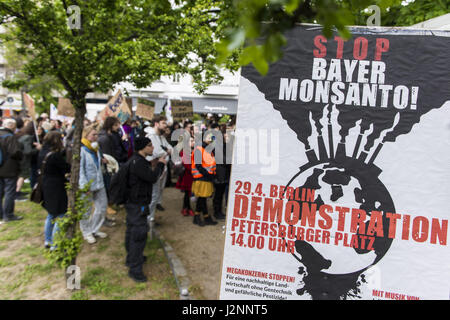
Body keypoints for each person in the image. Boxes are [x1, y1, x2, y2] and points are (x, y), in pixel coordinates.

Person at [125, 136, 166, 282]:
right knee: (138, 235)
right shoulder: (138, 163)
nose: (153, 148)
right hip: (138, 205)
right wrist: (160, 165)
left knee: (131, 232)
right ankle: (135, 270)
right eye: (149, 145)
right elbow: (152, 177)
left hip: (133, 203)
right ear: (143, 148)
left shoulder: (136, 160)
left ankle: (131, 259)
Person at [38, 131, 70, 249]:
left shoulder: (42, 152)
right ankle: (55, 244)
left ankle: (48, 240)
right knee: (61, 213)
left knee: (51, 214)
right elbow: (66, 167)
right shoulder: (54, 155)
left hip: (46, 185)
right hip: (56, 186)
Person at [79, 125, 109, 244]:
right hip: (87, 185)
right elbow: (80, 170)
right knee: (85, 210)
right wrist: (84, 186)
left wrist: (102, 161)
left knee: (102, 207)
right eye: (93, 135)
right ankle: (86, 232)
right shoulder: (82, 150)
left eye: (96, 134)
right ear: (86, 136)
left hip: (99, 183)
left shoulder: (95, 149)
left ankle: (94, 229)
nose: (96, 137)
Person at [145, 115, 173, 220]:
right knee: (153, 194)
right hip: (153, 167)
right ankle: (149, 219)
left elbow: (170, 149)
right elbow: (156, 152)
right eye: (163, 123)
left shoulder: (161, 137)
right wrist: (165, 151)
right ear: (156, 124)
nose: (166, 126)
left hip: (162, 166)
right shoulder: (150, 136)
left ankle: (151, 215)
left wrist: (165, 151)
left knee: (159, 191)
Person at [191, 132, 217, 226]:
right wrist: (208, 175)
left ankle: (205, 217)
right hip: (201, 177)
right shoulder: (199, 149)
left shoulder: (208, 149)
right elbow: (198, 166)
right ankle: (198, 216)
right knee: (202, 198)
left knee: (203, 198)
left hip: (206, 177)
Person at [0, 118, 23, 222]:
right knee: (9, 192)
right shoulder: (10, 137)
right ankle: (8, 215)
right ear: (12, 126)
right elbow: (15, 152)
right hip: (9, 169)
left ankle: (1, 214)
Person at [16, 121, 42, 200]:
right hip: (24, 159)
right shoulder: (28, 137)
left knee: (21, 175)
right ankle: (17, 192)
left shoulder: (22, 135)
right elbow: (28, 151)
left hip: (19, 157)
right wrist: (37, 149)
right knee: (22, 176)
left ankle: (17, 191)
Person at [175, 136, 194, 216]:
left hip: (190, 175)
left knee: (188, 193)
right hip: (187, 176)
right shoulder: (184, 152)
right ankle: (186, 208)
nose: (193, 142)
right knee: (187, 193)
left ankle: (187, 208)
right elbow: (187, 165)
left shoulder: (191, 151)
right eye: (191, 141)